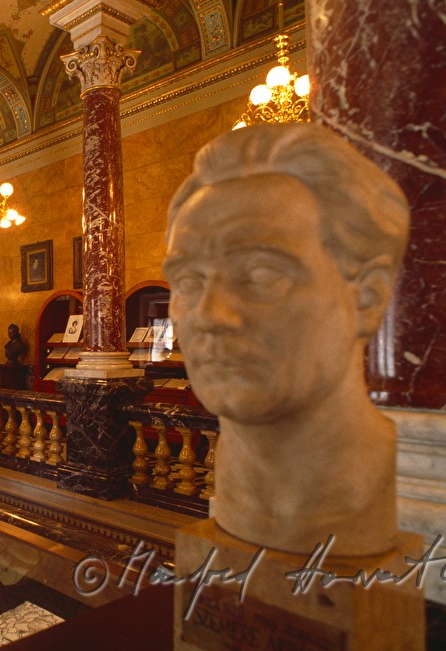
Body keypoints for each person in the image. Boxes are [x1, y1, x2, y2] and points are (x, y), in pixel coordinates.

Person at [162, 123, 410, 556]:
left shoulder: (383, 481)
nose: (210, 316)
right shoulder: (233, 489)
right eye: (187, 280)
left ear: (368, 297)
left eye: (263, 274)